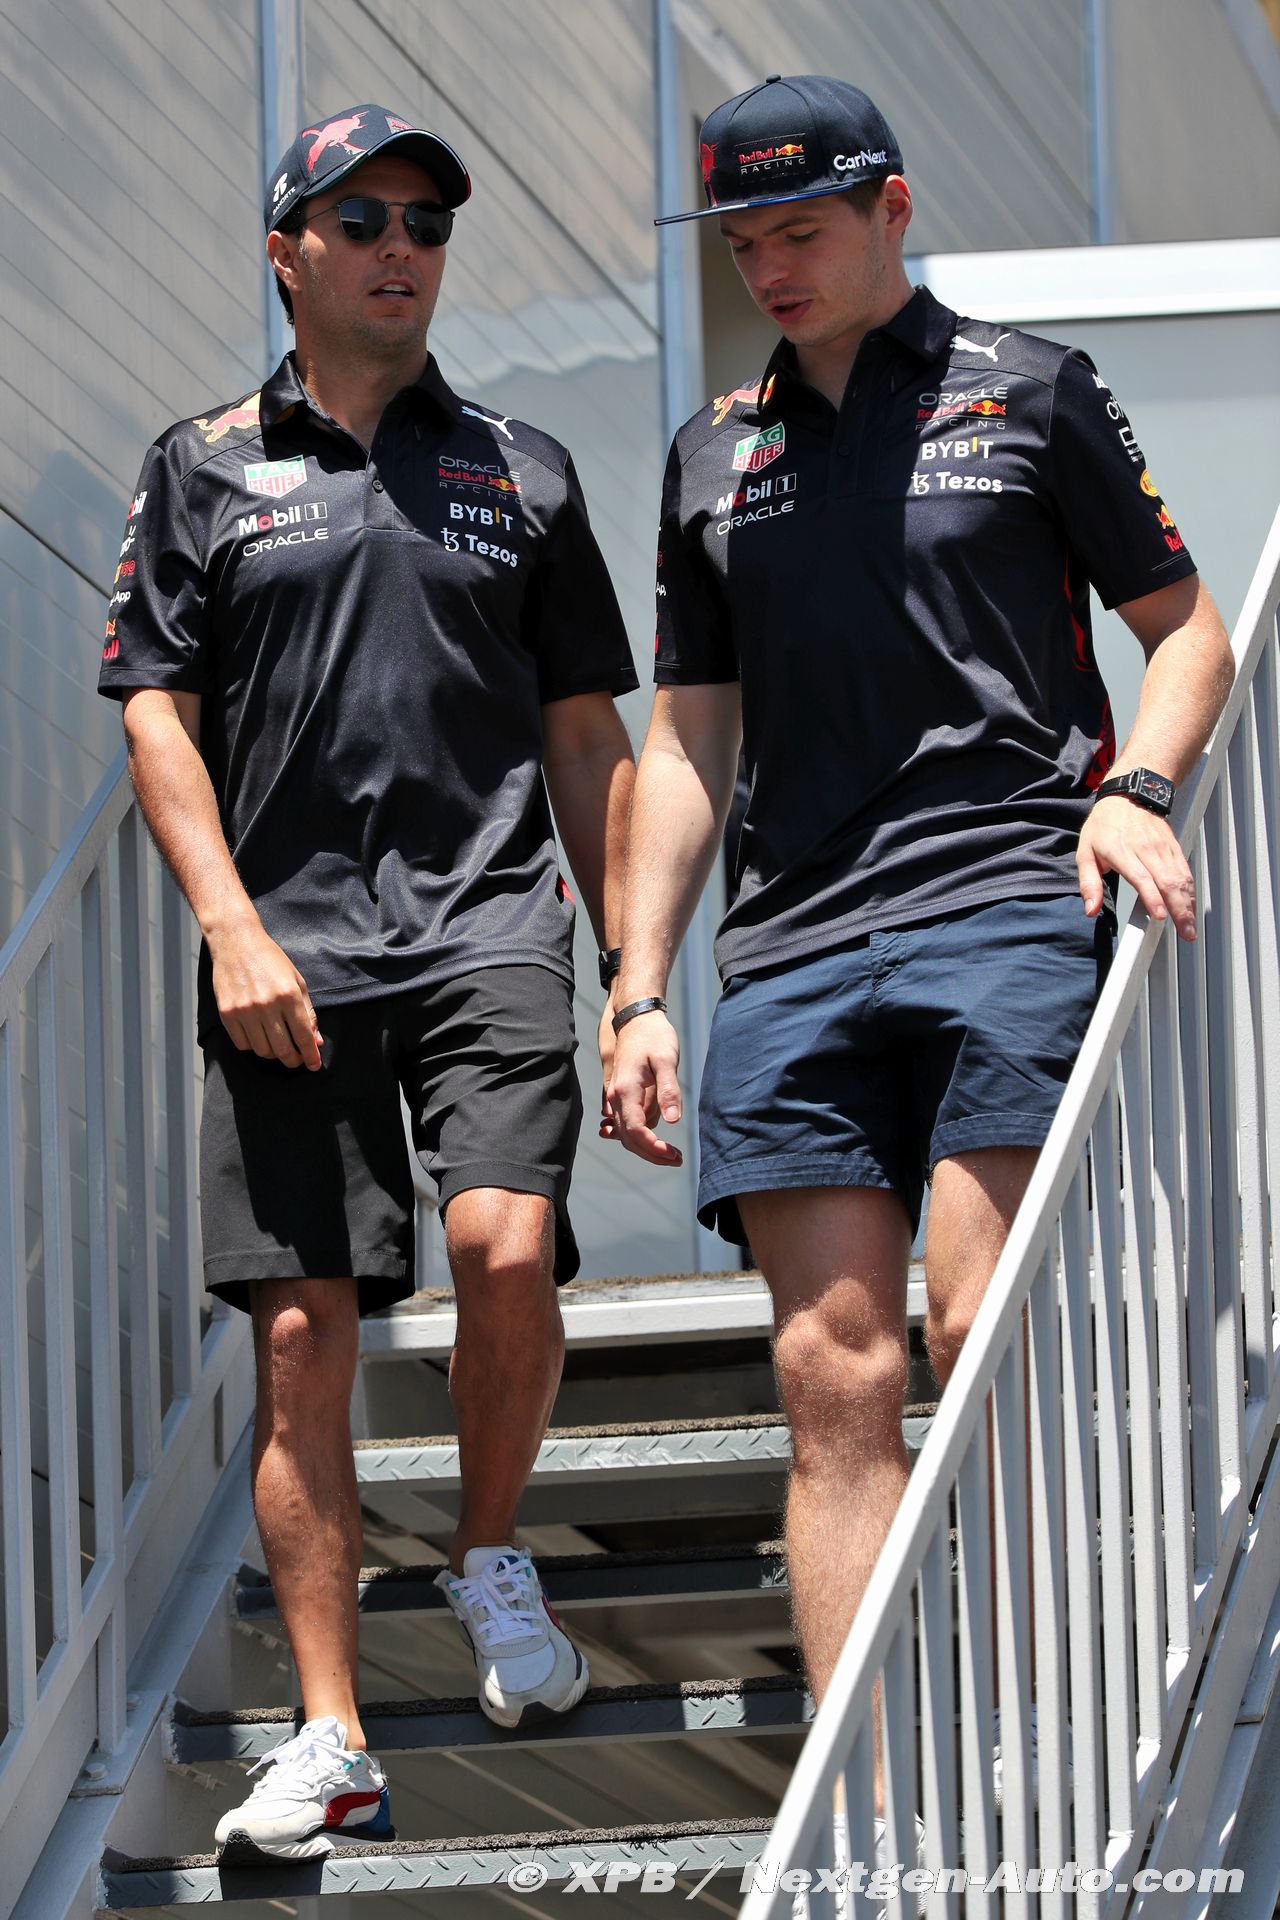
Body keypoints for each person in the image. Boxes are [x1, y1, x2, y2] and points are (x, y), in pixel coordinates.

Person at [609, 73, 1233, 1772]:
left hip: (1008, 904)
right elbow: (687, 738)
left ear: (892, 209)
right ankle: (869, 1799)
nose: (770, 268)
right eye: (743, 242)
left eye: (800, 232)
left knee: (982, 1330)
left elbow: (1187, 633)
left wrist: (1139, 788)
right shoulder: (710, 450)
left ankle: (1037, 1746)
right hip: (792, 950)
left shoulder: (1034, 389)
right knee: (833, 1374)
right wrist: (640, 981)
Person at [99, 104, 638, 1864]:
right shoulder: (198, 465)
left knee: (504, 1249)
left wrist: (637, 974)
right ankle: (330, 1736)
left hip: (491, 923)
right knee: (300, 1337)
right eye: (363, 220)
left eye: (426, 222)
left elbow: (588, 739)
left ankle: (488, 1553)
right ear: (289, 253)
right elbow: (157, 713)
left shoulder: (524, 468)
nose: (401, 247)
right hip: (292, 950)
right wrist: (229, 925)